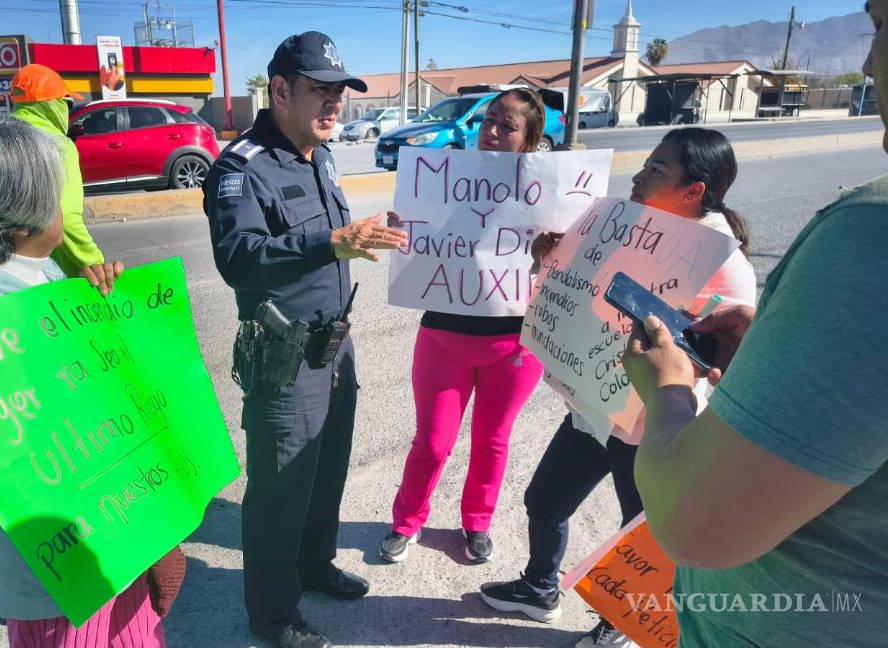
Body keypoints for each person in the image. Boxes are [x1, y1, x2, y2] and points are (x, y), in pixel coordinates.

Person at [622, 3, 888, 644]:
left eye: (881, 27)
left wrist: (667, 388)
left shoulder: (870, 239)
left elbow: (696, 523)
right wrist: (777, 343)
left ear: (694, 189)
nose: (868, 62)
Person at [0, 111, 180, 647]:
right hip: (63, 581)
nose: (74, 209)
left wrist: (97, 315)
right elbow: (30, 464)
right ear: (19, 219)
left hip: (105, 548)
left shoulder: (15, 264)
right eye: (63, 197)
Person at [480, 128, 757, 648]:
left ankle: (622, 625)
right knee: (544, 499)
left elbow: (733, 355)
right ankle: (540, 588)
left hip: (652, 424)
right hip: (594, 405)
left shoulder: (725, 263)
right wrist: (552, 260)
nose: (639, 175)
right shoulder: (624, 226)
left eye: (656, 170)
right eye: (647, 164)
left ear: (693, 191)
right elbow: (581, 293)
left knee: (640, 538)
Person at [203, 31, 409, 648]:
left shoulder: (318, 155)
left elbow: (334, 236)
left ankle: (313, 565)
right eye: (320, 91)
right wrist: (332, 242)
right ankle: (271, 614)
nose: (334, 105)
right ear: (282, 90)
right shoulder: (240, 167)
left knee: (327, 468)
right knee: (280, 486)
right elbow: (239, 259)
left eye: (339, 93)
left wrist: (364, 234)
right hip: (284, 355)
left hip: (333, 344)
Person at [379, 88, 549, 566]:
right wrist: (404, 228)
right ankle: (406, 520)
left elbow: (570, 266)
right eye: (489, 120)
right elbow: (423, 242)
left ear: (528, 140)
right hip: (443, 337)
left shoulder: (546, 197)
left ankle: (478, 522)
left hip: (514, 344)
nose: (492, 132)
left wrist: (554, 246)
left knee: (492, 441)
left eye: (508, 126)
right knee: (432, 442)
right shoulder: (444, 180)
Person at [10, 63, 122, 295]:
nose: (68, 110)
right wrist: (95, 262)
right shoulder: (58, 146)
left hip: (7, 269)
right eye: (67, 103)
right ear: (53, 106)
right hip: (52, 274)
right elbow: (66, 218)